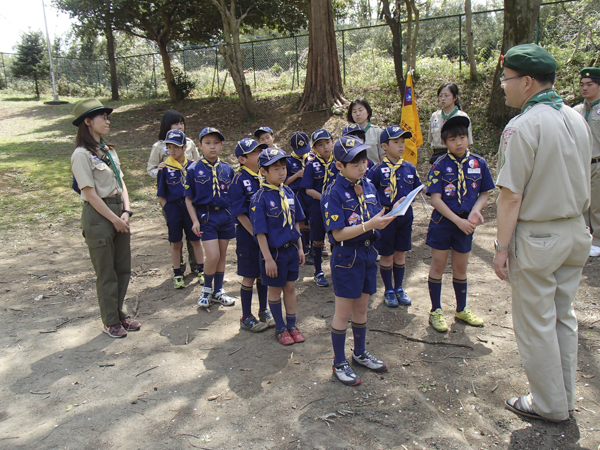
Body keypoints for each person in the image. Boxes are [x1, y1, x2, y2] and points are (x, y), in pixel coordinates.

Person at [493, 44, 592, 423]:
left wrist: (501, 247)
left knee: (536, 322)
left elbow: (511, 196)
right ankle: (563, 397)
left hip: (539, 238)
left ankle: (548, 404)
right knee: (563, 316)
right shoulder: (575, 117)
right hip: (575, 231)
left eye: (507, 79)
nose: (504, 86)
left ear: (527, 82)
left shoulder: (522, 126)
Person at [322, 136, 397, 386]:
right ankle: (339, 361)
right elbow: (337, 234)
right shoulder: (333, 192)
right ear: (339, 166)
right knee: (343, 313)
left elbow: (375, 215)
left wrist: (391, 214)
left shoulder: (367, 185)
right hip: (346, 256)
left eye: (363, 160)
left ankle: (360, 353)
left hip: (367, 253)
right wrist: (370, 224)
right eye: (354, 163)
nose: (362, 166)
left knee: (362, 309)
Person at [70, 98, 141, 338]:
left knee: (123, 268)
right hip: (99, 216)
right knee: (106, 271)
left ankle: (120, 314)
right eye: (101, 116)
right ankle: (110, 321)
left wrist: (126, 211)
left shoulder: (109, 151)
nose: (107, 120)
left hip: (118, 211)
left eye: (107, 116)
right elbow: (89, 194)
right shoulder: (81, 155)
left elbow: (121, 183)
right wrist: (114, 219)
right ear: (87, 121)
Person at [425, 115, 494, 332]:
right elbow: (435, 199)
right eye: (453, 139)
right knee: (438, 265)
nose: (459, 142)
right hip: (443, 223)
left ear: (468, 138)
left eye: (463, 137)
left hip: (467, 224)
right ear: (445, 143)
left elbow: (485, 193)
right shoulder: (439, 165)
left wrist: (475, 211)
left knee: (460, 268)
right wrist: (458, 221)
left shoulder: (478, 163)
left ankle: (461, 309)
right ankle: (436, 310)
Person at [250, 148, 306, 345]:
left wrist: (300, 247)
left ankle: (292, 325)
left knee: (290, 287)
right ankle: (280, 328)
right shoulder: (260, 198)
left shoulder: (289, 192)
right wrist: (267, 259)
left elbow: (297, 221)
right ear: (263, 172)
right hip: (273, 254)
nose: (282, 172)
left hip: (291, 250)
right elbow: (260, 232)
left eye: (284, 168)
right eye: (276, 169)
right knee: (275, 291)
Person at [147, 109, 203, 280]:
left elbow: (197, 163)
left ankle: (197, 266)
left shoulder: (190, 143)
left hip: (190, 199)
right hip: (171, 197)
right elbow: (151, 168)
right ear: (167, 125)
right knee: (176, 236)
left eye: (182, 123)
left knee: (193, 233)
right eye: (176, 123)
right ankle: (179, 269)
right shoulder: (159, 147)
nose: (180, 126)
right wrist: (160, 171)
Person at [185, 127, 236, 308]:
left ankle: (218, 291)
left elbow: (232, 195)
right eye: (207, 143)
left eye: (216, 143)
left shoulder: (227, 169)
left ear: (222, 145)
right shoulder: (193, 170)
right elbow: (188, 198)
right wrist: (195, 221)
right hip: (205, 217)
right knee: (212, 255)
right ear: (200, 146)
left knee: (222, 255)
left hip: (225, 215)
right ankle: (206, 289)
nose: (212, 147)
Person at [370, 126, 421, 307]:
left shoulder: (409, 168)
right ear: (384, 146)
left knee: (401, 254)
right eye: (396, 142)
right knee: (387, 255)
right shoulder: (376, 170)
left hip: (405, 217)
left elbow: (416, 189)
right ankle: (388, 290)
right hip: (385, 218)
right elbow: (370, 195)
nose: (401, 146)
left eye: (403, 142)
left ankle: (399, 287)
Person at [230, 138, 275, 332]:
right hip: (249, 236)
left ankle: (263, 310)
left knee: (263, 273)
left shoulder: (263, 177)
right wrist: (256, 234)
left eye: (260, 151)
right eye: (255, 153)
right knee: (249, 275)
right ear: (242, 159)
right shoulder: (238, 180)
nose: (260, 155)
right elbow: (239, 214)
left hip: (264, 235)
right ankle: (245, 316)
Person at [156, 130, 204, 290]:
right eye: (169, 147)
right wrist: (168, 210)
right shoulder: (164, 168)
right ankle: (177, 273)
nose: (173, 150)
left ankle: (201, 269)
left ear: (184, 147)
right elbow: (161, 193)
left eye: (176, 147)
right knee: (175, 242)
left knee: (195, 240)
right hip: (174, 209)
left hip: (190, 209)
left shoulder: (192, 167)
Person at [301, 129, 338, 287]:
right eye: (320, 145)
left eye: (328, 143)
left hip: (336, 208)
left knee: (336, 238)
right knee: (317, 240)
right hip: (317, 208)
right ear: (314, 148)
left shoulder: (338, 164)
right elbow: (308, 189)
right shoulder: (311, 165)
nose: (325, 147)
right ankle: (318, 271)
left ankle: (336, 270)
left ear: (333, 142)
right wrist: (324, 197)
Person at [574, 67, 600, 257]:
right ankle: (584, 237)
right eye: (582, 84)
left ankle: (597, 239)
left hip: (598, 163)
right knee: (582, 202)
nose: (585, 88)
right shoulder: (576, 111)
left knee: (597, 204)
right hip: (580, 164)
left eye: (590, 84)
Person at [427, 83, 473, 165]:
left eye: (446, 95)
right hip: (438, 157)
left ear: (455, 97)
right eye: (440, 96)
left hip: (457, 156)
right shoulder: (435, 116)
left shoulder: (462, 117)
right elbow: (431, 141)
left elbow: (467, 143)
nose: (443, 98)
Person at [285, 131, 313, 263]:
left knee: (309, 222)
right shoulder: (288, 161)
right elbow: (284, 182)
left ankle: (309, 246)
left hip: (309, 195)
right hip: (296, 195)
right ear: (292, 148)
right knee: (299, 222)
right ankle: (302, 248)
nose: (302, 153)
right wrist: (296, 175)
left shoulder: (311, 158)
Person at [346, 99, 383, 163]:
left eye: (360, 110)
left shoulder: (377, 132)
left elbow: (383, 156)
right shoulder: (347, 133)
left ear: (368, 112)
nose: (357, 114)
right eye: (354, 111)